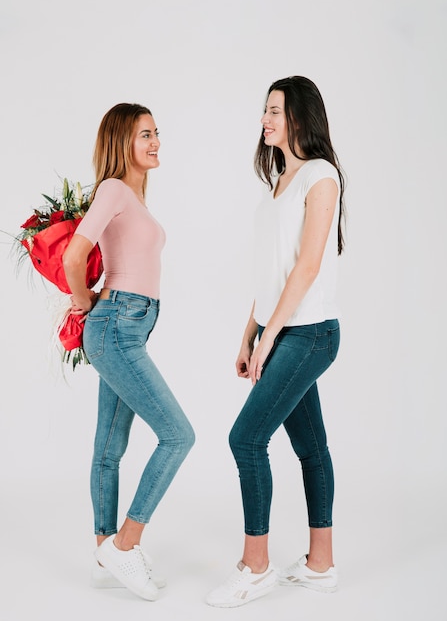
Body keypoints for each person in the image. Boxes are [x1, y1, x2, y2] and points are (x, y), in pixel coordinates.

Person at [205, 76, 346, 608]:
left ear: (299, 117)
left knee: (245, 439)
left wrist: (271, 339)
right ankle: (320, 565)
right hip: (281, 329)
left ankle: (255, 566)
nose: (264, 120)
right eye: (264, 111)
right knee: (310, 447)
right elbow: (273, 273)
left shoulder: (320, 176)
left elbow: (308, 267)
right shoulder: (280, 183)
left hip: (309, 333)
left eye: (274, 111)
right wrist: (250, 334)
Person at [63, 103, 195, 602]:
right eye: (145, 134)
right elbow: (77, 255)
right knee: (178, 435)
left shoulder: (133, 199)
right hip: (115, 326)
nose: (156, 141)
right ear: (123, 142)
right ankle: (126, 543)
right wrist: (85, 306)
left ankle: (104, 554)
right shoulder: (114, 189)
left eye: (157, 132)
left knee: (109, 448)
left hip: (127, 329)